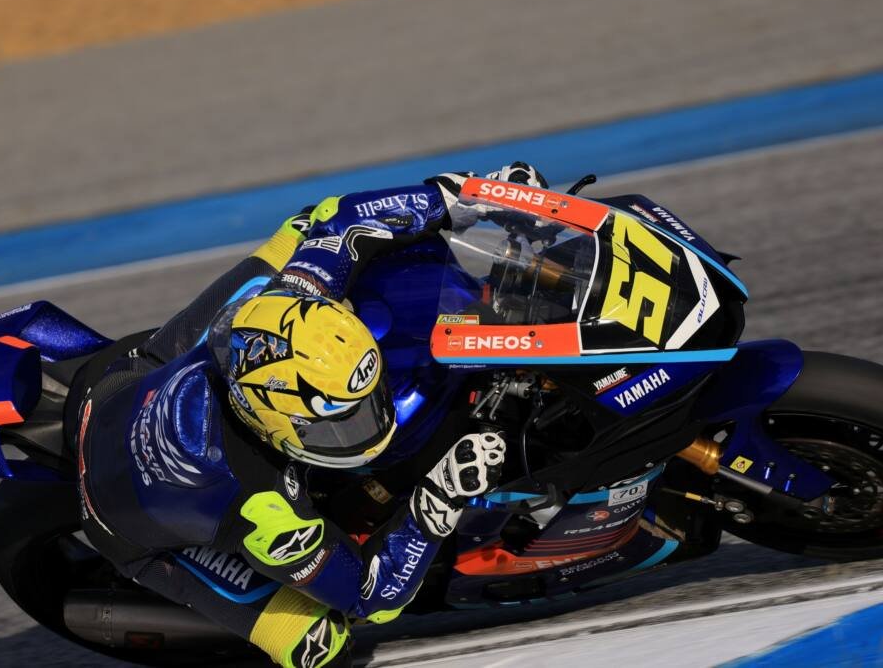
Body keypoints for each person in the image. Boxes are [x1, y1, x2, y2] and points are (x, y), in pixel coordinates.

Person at [75, 162, 548, 667]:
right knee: (318, 646)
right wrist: (438, 500)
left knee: (304, 228)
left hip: (124, 382)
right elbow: (371, 596)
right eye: (343, 422)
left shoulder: (293, 297)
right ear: (274, 428)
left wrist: (467, 196)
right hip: (120, 522)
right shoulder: (266, 508)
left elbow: (341, 219)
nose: (373, 421)